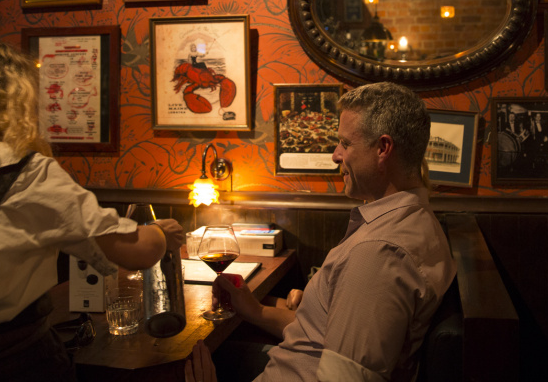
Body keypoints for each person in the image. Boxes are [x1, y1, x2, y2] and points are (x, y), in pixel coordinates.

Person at [0, 37, 185, 381]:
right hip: (10, 361)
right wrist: (161, 232)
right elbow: (136, 251)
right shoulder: (25, 174)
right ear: (20, 101)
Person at [190, 82, 456, 382]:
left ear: (383, 149)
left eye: (345, 143)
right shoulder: (414, 219)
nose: (335, 155)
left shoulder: (379, 254)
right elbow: (320, 333)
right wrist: (255, 310)